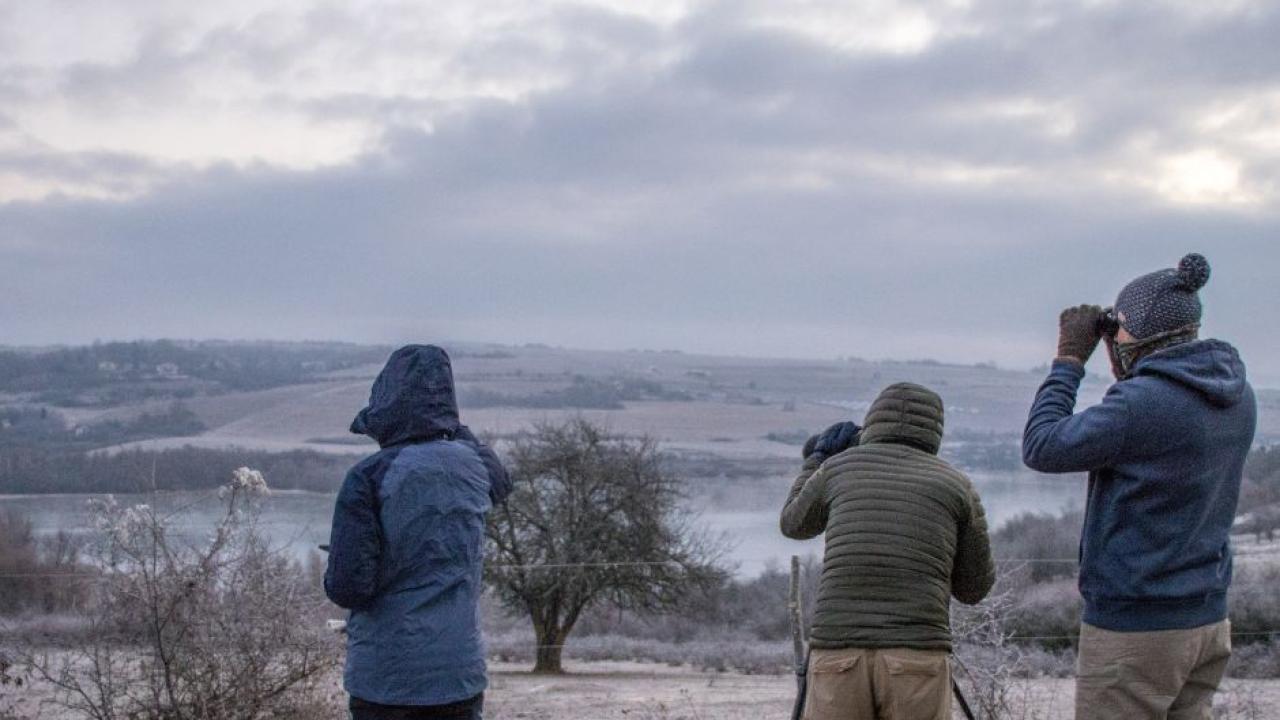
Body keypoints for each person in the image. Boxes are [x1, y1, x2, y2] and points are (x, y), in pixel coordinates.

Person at [1022, 253, 1256, 720]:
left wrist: (1069, 360)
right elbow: (1154, 415)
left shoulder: (1142, 406)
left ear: (1140, 332)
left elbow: (1042, 446)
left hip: (1137, 628)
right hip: (1205, 616)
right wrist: (1125, 358)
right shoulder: (1235, 393)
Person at [780, 382, 996, 720]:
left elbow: (794, 524)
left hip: (838, 647)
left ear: (873, 420)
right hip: (917, 651)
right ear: (936, 429)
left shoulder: (838, 469)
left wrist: (817, 459)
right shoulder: (956, 485)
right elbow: (974, 588)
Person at [325, 345, 512, 720]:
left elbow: (348, 587)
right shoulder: (476, 467)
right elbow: (500, 479)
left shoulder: (369, 477)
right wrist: (448, 424)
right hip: (459, 672)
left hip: (387, 677)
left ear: (385, 401)